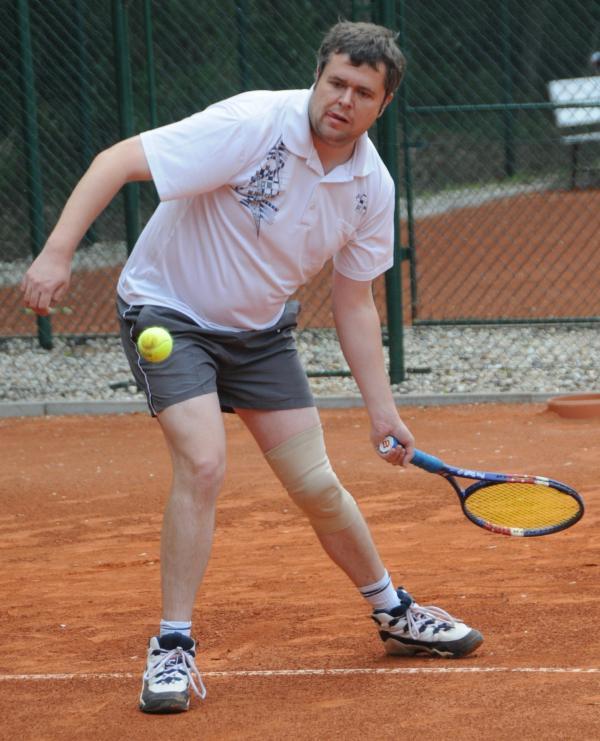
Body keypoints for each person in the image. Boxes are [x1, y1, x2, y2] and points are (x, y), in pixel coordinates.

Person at [21, 20, 483, 714]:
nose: (344, 100)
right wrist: (57, 254)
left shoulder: (371, 187)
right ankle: (172, 645)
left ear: (383, 104)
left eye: (363, 92)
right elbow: (116, 161)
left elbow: (354, 301)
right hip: (169, 316)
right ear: (317, 77)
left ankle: (394, 613)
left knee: (315, 483)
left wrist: (381, 409)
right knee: (204, 462)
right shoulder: (250, 126)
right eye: (336, 82)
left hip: (261, 334)